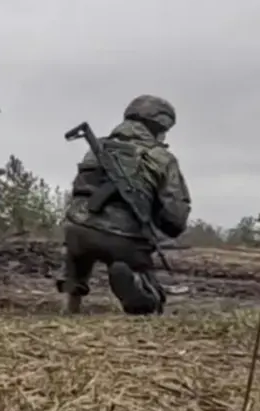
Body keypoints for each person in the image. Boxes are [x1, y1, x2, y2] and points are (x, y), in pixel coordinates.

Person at [58, 95, 191, 315]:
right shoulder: (162, 157)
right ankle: (137, 288)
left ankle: (71, 303)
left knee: (77, 251)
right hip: (123, 237)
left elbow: (79, 190)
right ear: (160, 125)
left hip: (77, 228)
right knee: (139, 274)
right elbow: (175, 215)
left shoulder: (96, 147)